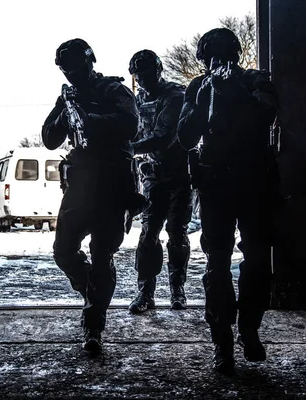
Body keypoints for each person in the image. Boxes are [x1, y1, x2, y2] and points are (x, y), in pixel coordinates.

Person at [177, 28, 279, 375]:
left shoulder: (255, 81)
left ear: (234, 55)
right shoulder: (197, 87)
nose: (214, 62)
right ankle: (222, 341)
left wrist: (232, 88)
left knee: (258, 261)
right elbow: (186, 136)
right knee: (217, 265)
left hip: (254, 182)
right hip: (216, 184)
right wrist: (207, 93)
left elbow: (267, 114)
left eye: (220, 55)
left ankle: (249, 329)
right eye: (208, 58)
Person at [42, 38, 145, 354]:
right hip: (80, 184)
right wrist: (64, 112)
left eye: (75, 66)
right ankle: (92, 293)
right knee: (63, 251)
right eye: (65, 68)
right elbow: (48, 138)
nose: (71, 73)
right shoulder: (68, 96)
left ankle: (93, 325)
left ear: (90, 61)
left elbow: (131, 124)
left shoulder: (113, 91)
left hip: (112, 185)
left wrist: (89, 119)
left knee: (102, 256)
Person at [127, 50, 192, 313]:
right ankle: (146, 292)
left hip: (178, 174)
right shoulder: (137, 99)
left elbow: (163, 136)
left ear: (158, 70)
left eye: (146, 73)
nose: (142, 79)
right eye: (138, 75)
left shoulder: (175, 96)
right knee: (148, 234)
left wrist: (128, 148)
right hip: (153, 175)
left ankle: (177, 289)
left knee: (177, 233)